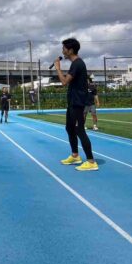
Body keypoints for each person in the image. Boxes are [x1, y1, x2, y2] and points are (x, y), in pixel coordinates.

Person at [54, 38, 98, 171]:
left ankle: (91, 161)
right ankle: (75, 155)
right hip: (72, 102)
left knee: (79, 130)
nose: (63, 51)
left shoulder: (77, 64)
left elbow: (64, 82)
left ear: (70, 50)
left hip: (78, 103)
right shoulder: (75, 64)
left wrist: (58, 68)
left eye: (64, 49)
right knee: (69, 128)